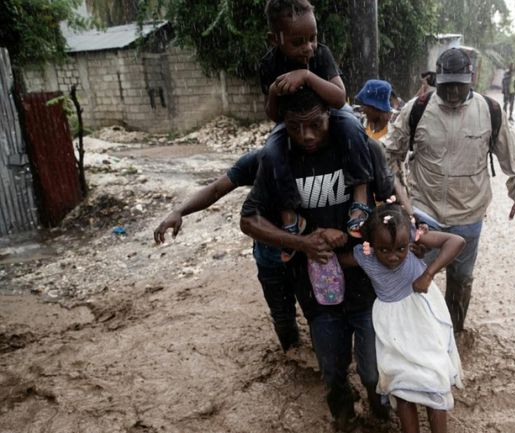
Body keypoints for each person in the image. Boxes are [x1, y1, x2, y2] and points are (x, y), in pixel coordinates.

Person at [240, 88, 391, 430]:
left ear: (331, 115)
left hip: (365, 284)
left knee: (372, 368)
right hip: (315, 289)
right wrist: (301, 242)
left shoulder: (360, 147)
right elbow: (248, 219)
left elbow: (391, 201)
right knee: (332, 370)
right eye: (295, 127)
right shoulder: (276, 160)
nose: (306, 136)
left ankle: (380, 410)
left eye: (315, 125)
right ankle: (344, 417)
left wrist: (384, 233)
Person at [384, 47, 515, 333]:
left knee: (461, 280)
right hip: (423, 213)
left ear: (472, 79)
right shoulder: (416, 109)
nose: (452, 93)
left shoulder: (490, 111)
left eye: (459, 86)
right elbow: (390, 154)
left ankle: (456, 334)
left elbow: (512, 157)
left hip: (469, 216)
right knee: (411, 276)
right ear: (436, 80)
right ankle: (417, 337)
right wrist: (398, 200)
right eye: (446, 86)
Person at [153, 146, 305, 352]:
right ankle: (295, 360)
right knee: (282, 318)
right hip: (270, 254)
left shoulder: (316, 156)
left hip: (307, 253)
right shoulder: (260, 159)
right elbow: (216, 189)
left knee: (320, 314)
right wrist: (179, 210)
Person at [340, 203, 465, 433]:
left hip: (422, 322)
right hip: (391, 328)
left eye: (400, 248)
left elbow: (456, 241)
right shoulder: (364, 255)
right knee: (400, 385)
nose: (393, 256)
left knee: (434, 379)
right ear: (370, 244)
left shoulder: (416, 238)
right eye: (384, 250)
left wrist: (428, 274)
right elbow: (337, 259)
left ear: (409, 240)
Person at [258, 0, 372, 252]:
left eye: (313, 37)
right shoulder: (269, 65)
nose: (308, 47)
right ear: (274, 39)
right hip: (294, 122)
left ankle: (360, 196)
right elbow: (274, 116)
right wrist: (275, 94)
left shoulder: (321, 54)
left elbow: (340, 98)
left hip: (329, 113)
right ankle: (289, 215)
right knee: (271, 151)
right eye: (297, 42)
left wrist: (307, 76)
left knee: (354, 127)